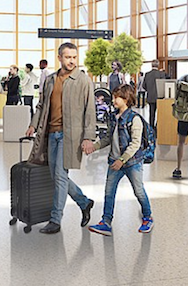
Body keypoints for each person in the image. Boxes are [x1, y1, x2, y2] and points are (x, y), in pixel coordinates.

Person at [25, 42, 95, 234]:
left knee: (60, 176)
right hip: (51, 134)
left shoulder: (83, 80)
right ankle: (84, 202)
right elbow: (41, 105)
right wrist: (33, 124)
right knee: (56, 175)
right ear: (60, 58)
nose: (72, 61)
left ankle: (56, 219)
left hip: (70, 135)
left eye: (74, 57)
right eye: (68, 57)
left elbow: (90, 110)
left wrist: (89, 137)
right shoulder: (51, 80)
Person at [87, 84, 153, 236]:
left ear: (127, 99)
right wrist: (94, 146)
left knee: (139, 191)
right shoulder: (112, 117)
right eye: (114, 96)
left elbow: (135, 144)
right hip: (114, 160)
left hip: (132, 162)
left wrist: (122, 160)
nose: (114, 99)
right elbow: (108, 137)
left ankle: (147, 217)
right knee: (109, 192)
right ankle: (106, 222)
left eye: (117, 97)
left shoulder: (134, 119)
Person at [142, 61, 167, 138]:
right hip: (159, 97)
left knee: (151, 114)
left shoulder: (147, 74)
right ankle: (158, 129)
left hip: (150, 97)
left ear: (151, 65)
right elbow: (163, 85)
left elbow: (143, 86)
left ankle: (151, 129)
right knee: (159, 114)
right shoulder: (161, 74)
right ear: (158, 65)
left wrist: (149, 90)